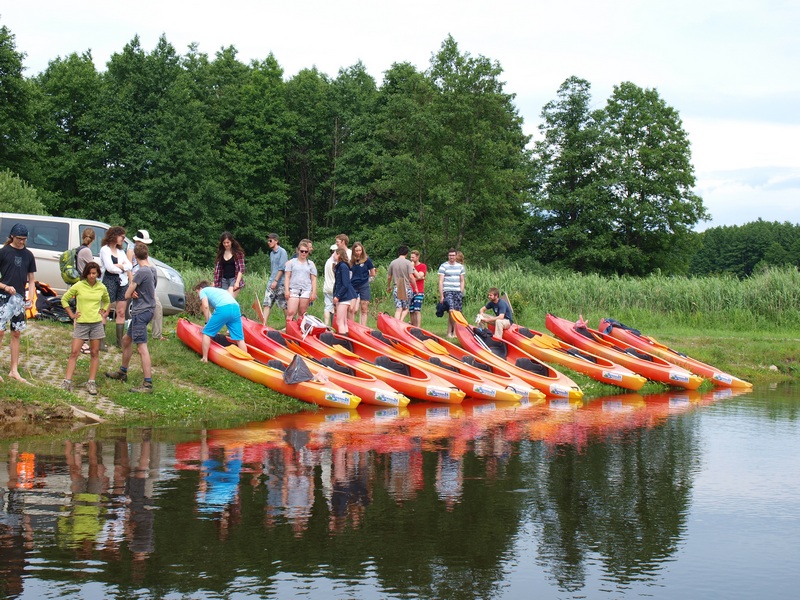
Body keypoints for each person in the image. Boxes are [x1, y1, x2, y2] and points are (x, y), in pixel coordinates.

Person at [105, 243, 158, 393]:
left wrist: (132, 292)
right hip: (148, 309)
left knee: (142, 348)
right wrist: (137, 291)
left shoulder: (141, 272)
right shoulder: (153, 270)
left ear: (135, 256)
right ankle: (122, 372)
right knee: (126, 340)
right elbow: (150, 288)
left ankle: (147, 384)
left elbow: (127, 294)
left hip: (141, 312)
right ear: (146, 254)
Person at [61, 262, 110, 395]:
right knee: (74, 352)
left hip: (96, 324)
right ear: (86, 274)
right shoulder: (79, 285)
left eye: (94, 273)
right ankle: (67, 381)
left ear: (98, 274)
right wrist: (72, 315)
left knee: (94, 353)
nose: (92, 276)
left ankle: (91, 382)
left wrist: (104, 310)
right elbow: (64, 299)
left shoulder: (101, 287)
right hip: (82, 323)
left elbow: (107, 300)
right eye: (89, 273)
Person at [0, 223, 37, 384]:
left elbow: (32, 279)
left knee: (16, 333)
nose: (22, 242)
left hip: (19, 299)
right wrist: (5, 287)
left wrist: (30, 297)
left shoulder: (29, 255)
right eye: (19, 238)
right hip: (3, 297)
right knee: (0, 333)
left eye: (24, 239)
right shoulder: (3, 252)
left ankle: (13, 370)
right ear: (12, 237)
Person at [193, 280, 247, 362]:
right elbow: (215, 313)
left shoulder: (203, 291)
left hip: (224, 308)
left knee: (206, 333)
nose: (198, 295)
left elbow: (206, 307)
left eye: (197, 292)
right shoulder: (218, 291)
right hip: (235, 308)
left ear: (200, 288)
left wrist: (207, 323)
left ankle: (204, 358)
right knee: (239, 338)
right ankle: (245, 361)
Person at [128, 229, 166, 341]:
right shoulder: (131, 250)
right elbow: (128, 268)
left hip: (145, 280)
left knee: (157, 306)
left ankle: (157, 334)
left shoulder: (143, 251)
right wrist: (132, 284)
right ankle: (135, 333)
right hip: (136, 280)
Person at [100, 226, 133, 347]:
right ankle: (100, 342)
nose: (123, 240)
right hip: (109, 281)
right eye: (122, 237)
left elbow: (129, 266)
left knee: (121, 312)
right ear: (114, 235)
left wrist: (120, 266)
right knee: (105, 310)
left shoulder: (121, 252)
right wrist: (121, 267)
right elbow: (110, 268)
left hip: (122, 282)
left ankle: (120, 342)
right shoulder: (105, 250)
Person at [283, 241, 317, 325]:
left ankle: (300, 331)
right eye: (302, 251)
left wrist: (314, 292)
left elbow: (313, 279)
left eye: (306, 251)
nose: (304, 253)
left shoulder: (311, 264)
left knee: (302, 313)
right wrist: (286, 290)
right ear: (298, 251)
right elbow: (287, 277)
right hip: (293, 289)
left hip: (306, 290)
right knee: (291, 312)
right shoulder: (291, 262)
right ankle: (289, 329)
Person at [438, 248, 466, 338]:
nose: (451, 257)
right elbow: (440, 281)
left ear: (456, 255)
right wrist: (441, 295)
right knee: (451, 310)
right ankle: (453, 333)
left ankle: (450, 332)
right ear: (448, 256)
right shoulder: (443, 266)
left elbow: (462, 280)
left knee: (456, 312)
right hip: (447, 290)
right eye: (450, 255)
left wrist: (461, 291)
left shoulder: (460, 267)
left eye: (453, 255)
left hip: (457, 291)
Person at [262, 233, 288, 326]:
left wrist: (276, 281)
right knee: (267, 303)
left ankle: (289, 325)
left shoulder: (282, 252)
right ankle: (263, 324)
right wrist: (272, 281)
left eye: (270, 240)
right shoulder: (271, 253)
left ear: (276, 241)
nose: (268, 242)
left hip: (280, 283)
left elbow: (282, 268)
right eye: (268, 240)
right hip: (271, 282)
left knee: (284, 305)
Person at [349, 242, 376, 326]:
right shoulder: (351, 261)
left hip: (364, 285)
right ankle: (352, 325)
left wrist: (366, 277)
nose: (358, 252)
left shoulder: (367, 260)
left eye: (360, 250)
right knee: (352, 308)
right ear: (353, 251)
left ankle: (363, 326)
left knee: (364, 307)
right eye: (356, 250)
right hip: (353, 285)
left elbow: (373, 272)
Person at [386, 245, 415, 323]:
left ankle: (396, 324)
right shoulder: (408, 263)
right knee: (406, 308)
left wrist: (388, 286)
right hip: (406, 287)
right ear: (407, 253)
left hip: (396, 287)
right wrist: (415, 288)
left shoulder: (392, 263)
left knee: (398, 309)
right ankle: (401, 322)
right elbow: (411, 276)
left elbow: (389, 277)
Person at [332, 248, 357, 335]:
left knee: (339, 321)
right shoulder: (340, 266)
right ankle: (346, 339)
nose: (333, 256)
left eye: (334, 254)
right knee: (343, 321)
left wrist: (338, 296)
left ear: (339, 254)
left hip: (344, 297)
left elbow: (345, 284)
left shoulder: (343, 266)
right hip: (343, 296)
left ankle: (344, 341)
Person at [213, 231, 246, 298]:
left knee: (230, 298)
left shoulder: (238, 253)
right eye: (224, 243)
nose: (226, 244)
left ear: (231, 242)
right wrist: (215, 282)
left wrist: (237, 282)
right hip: (224, 280)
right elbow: (217, 270)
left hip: (234, 278)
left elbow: (241, 269)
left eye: (228, 242)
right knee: (224, 299)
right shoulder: (221, 253)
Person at [409, 249, 427, 328]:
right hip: (410, 290)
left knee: (417, 310)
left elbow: (420, 275)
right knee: (411, 310)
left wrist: (413, 268)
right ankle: (413, 326)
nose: (411, 259)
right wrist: (417, 278)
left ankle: (418, 327)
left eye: (413, 257)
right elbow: (411, 277)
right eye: (411, 257)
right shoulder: (408, 266)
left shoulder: (422, 266)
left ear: (417, 257)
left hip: (419, 291)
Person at [322, 244, 337, 327]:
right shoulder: (334, 262)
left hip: (326, 287)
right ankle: (334, 326)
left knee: (327, 307)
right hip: (333, 287)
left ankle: (326, 324)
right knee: (335, 308)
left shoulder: (327, 261)